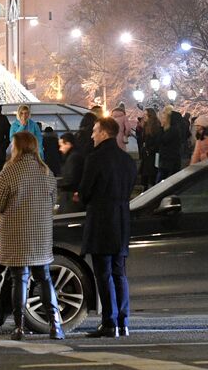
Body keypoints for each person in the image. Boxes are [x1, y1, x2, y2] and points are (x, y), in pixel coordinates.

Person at [0, 131, 62, 340]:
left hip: (16, 234)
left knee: (19, 279)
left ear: (18, 147)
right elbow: (52, 202)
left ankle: (19, 327)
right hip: (40, 234)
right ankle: (55, 325)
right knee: (44, 278)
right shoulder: (46, 171)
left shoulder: (8, 172)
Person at [79, 116, 137, 338]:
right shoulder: (127, 160)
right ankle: (123, 321)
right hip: (121, 219)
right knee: (119, 272)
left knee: (103, 274)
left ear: (104, 133)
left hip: (101, 219)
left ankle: (109, 321)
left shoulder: (95, 159)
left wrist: (84, 196)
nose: (92, 135)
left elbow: (85, 192)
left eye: (95, 131)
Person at [58, 124, 89, 211]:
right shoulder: (74, 156)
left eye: (61, 145)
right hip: (71, 196)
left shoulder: (73, 158)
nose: (60, 149)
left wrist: (58, 184)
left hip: (71, 197)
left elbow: (71, 179)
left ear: (68, 144)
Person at [157, 110, 185, 180]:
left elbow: (163, 140)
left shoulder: (173, 130)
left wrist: (161, 127)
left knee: (162, 179)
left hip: (169, 159)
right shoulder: (175, 129)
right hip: (171, 158)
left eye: (164, 118)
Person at [138, 110, 163, 188]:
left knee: (151, 175)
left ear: (150, 115)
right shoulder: (146, 126)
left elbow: (157, 141)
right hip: (147, 154)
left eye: (146, 114)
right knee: (145, 176)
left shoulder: (156, 126)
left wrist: (149, 150)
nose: (144, 116)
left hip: (152, 155)